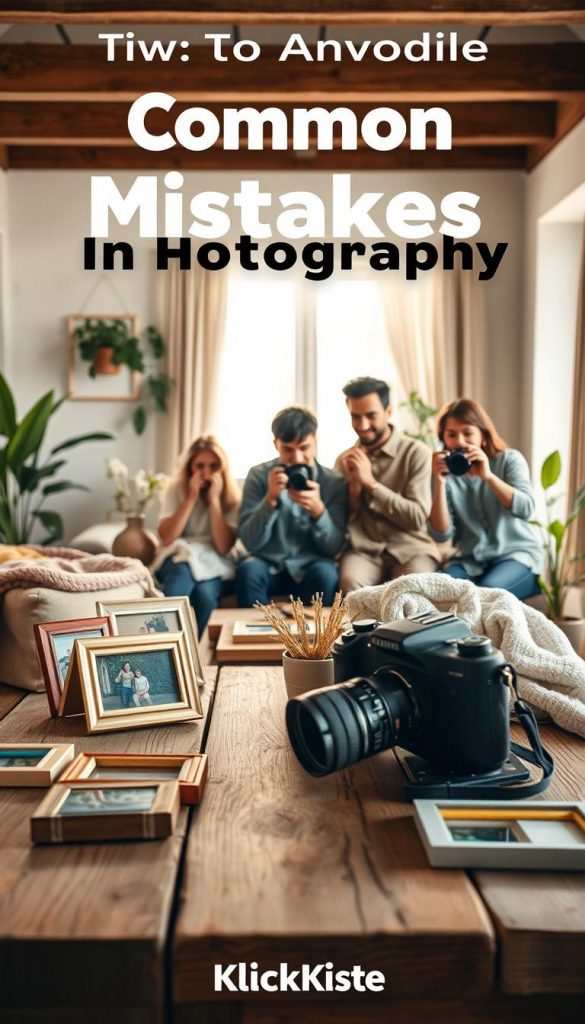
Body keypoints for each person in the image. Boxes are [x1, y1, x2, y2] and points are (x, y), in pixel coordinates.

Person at [429, 397, 542, 597]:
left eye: (468, 433)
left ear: (482, 434)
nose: (460, 441)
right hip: (468, 561)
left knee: (489, 593)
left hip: (515, 556)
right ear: (443, 439)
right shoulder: (444, 475)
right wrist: (439, 482)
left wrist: (488, 477)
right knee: (440, 591)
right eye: (452, 435)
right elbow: (441, 535)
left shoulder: (509, 460)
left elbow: (526, 508)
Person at [236, 406, 347, 606]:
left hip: (312, 565)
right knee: (248, 571)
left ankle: (318, 628)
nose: (296, 458)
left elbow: (333, 548)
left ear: (315, 440)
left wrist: (319, 512)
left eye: (304, 448)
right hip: (268, 564)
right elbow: (249, 543)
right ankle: (251, 628)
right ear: (276, 444)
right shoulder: (258, 476)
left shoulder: (334, 482)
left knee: (327, 574)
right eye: (287, 449)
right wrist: (269, 500)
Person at [335, 377, 439, 591]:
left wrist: (371, 485)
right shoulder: (344, 461)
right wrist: (353, 493)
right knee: (350, 582)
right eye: (355, 417)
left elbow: (417, 518)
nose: (363, 426)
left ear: (388, 411)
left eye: (371, 415)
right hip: (364, 551)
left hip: (412, 548)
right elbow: (338, 522)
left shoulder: (416, 453)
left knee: (412, 589)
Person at [155, 435, 241, 634]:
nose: (206, 473)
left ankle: (198, 651)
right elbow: (167, 538)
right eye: (200, 466)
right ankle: (165, 641)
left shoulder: (232, 497)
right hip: (178, 556)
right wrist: (191, 498)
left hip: (214, 560)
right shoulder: (175, 489)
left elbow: (223, 546)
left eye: (213, 466)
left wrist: (214, 501)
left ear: (222, 468)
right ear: (190, 467)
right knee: (180, 576)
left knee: (205, 595)